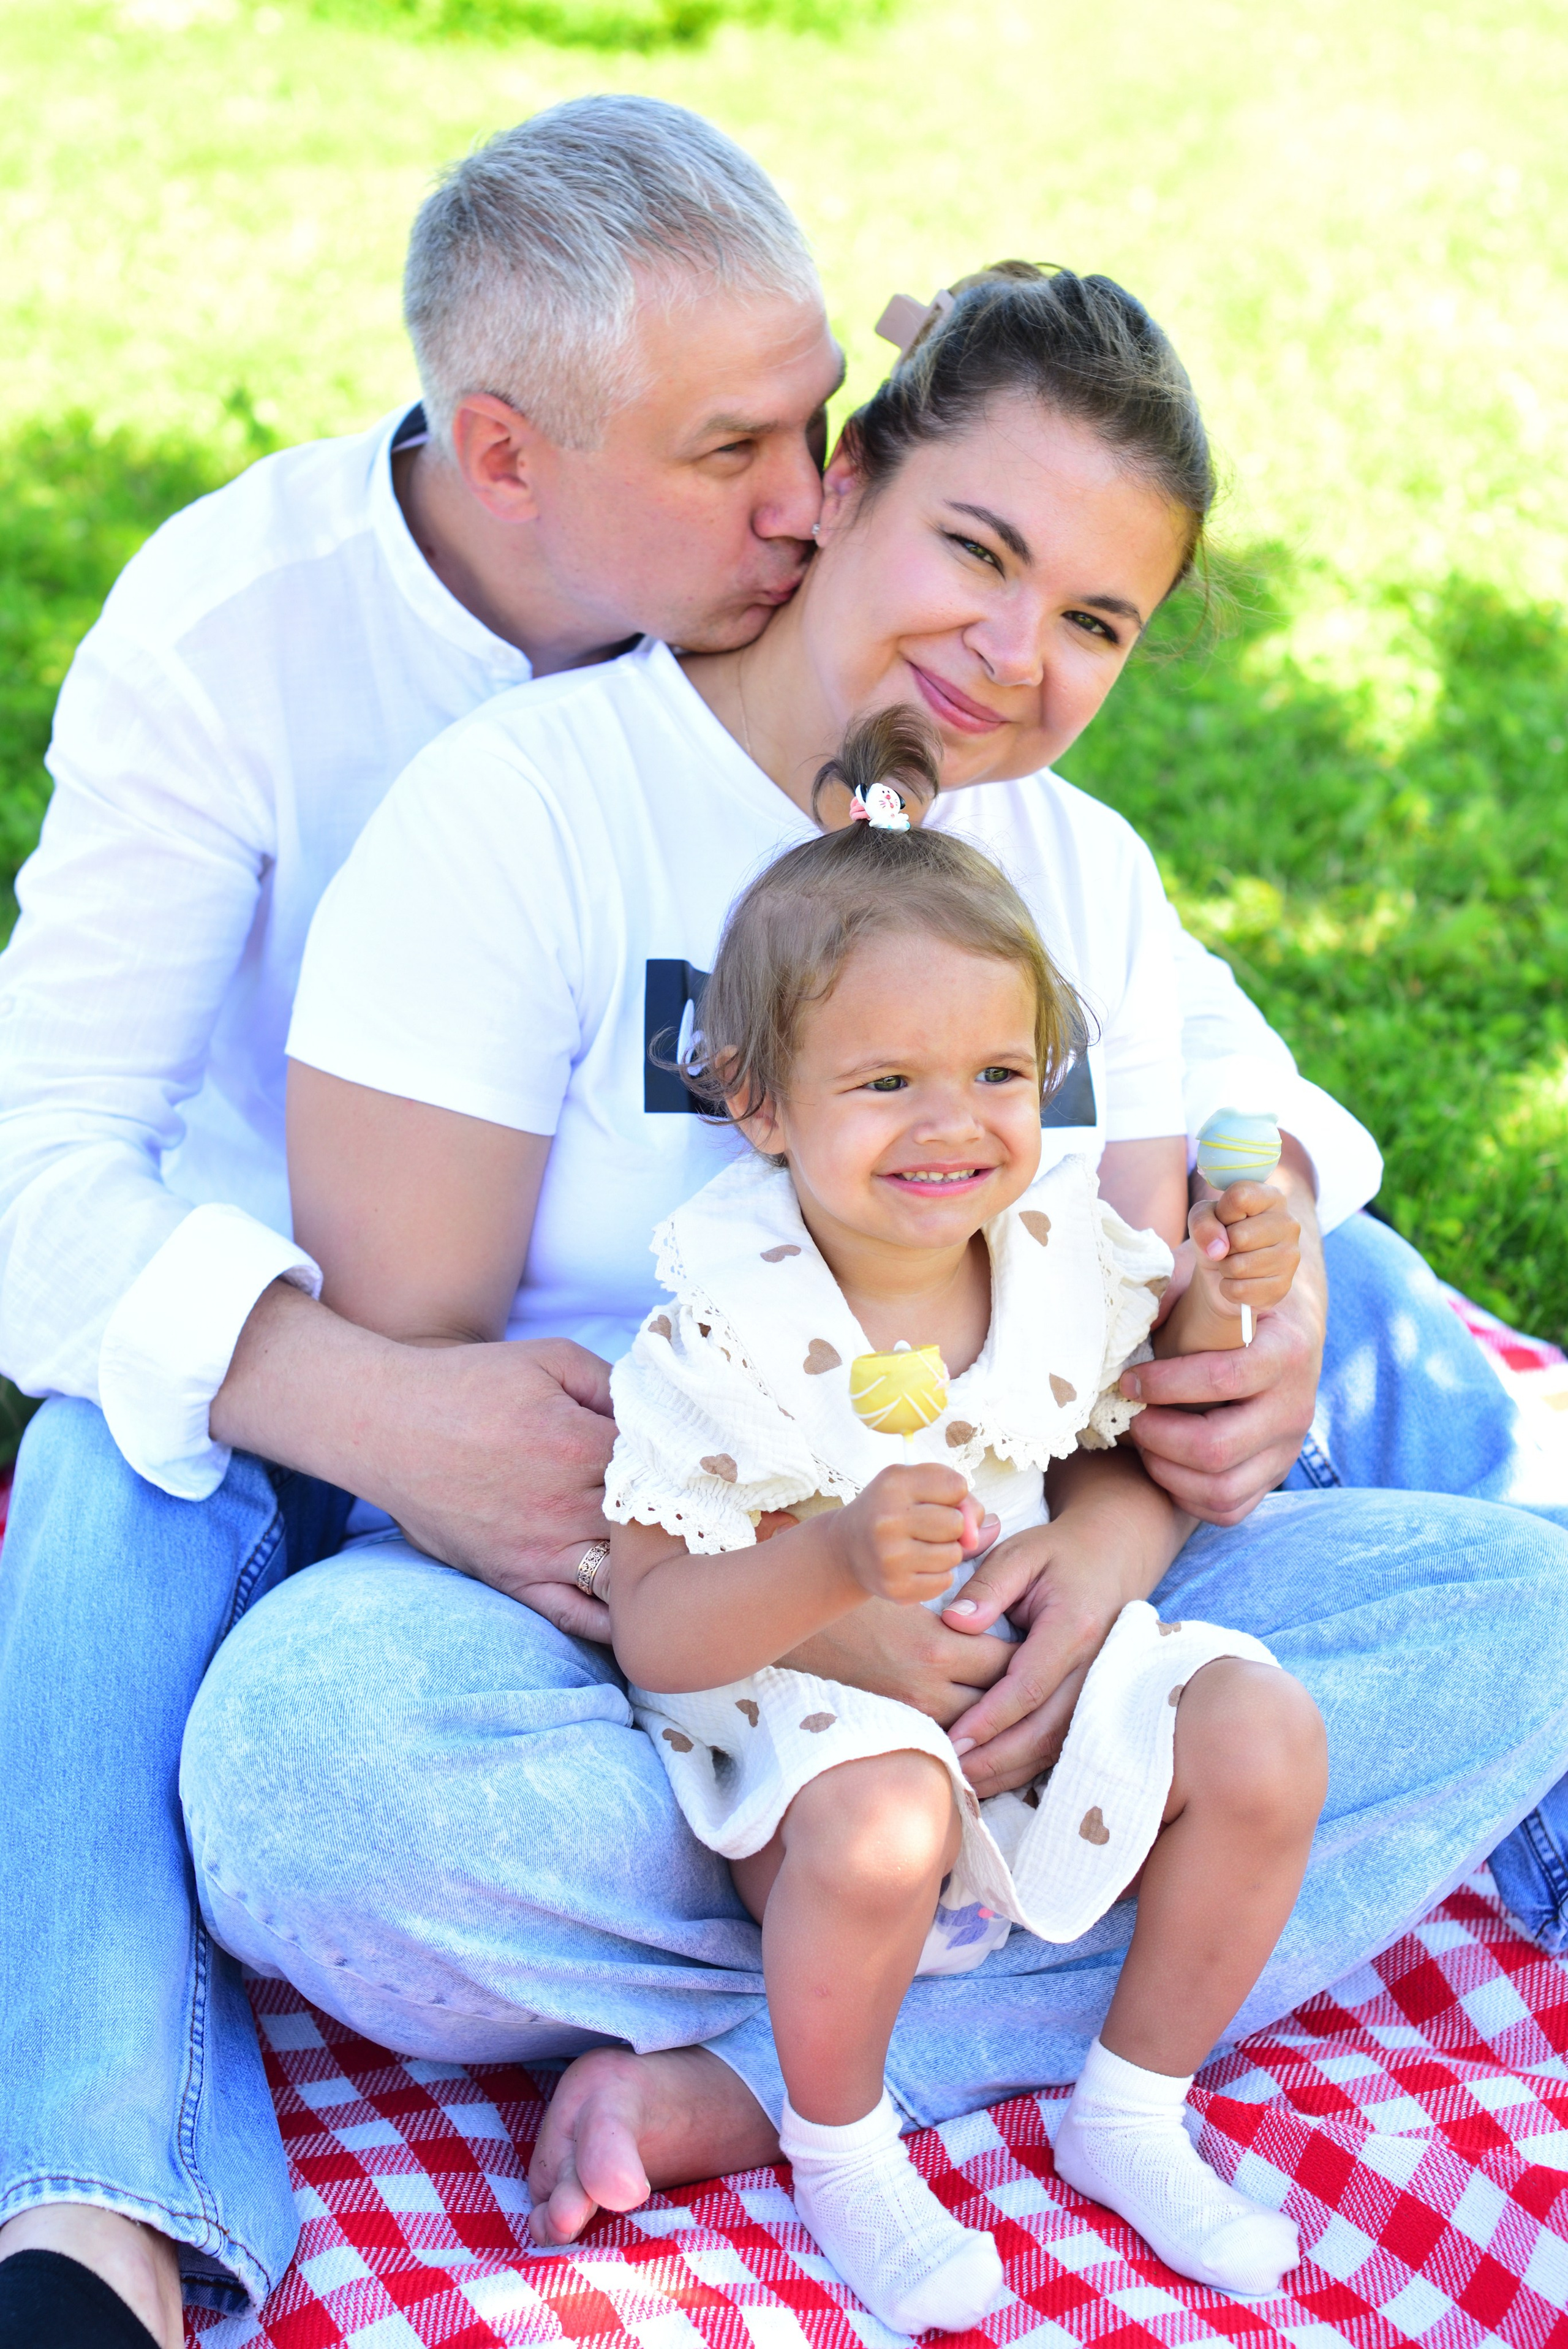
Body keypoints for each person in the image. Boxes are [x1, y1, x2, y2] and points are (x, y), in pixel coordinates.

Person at [179, 260, 1568, 2270]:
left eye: (1093, 618)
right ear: (842, 485)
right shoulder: (537, 805)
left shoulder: (1083, 878)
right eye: (976, 550)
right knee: (309, 1783)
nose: (1014, 654)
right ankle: (956, 1982)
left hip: (1022, 1631)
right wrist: (798, 1603)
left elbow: (1118, 1361)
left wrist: (1097, 1563)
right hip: (620, 1607)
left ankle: (778, 2070)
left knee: (1524, 1614)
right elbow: (430, 1369)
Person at [605, 728, 1319, 2320]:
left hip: (1023, 1667)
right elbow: (651, 1620)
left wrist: (1229, 1273)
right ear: (757, 1100)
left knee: (1267, 1734)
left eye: (1001, 1074)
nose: (956, 1125)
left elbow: (1158, 1378)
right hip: (801, 1703)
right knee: (882, 1831)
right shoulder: (719, 1317)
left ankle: (1130, 2106)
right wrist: (833, 1560)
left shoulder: (1053, 1242)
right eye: (886, 1082)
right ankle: (843, 2145)